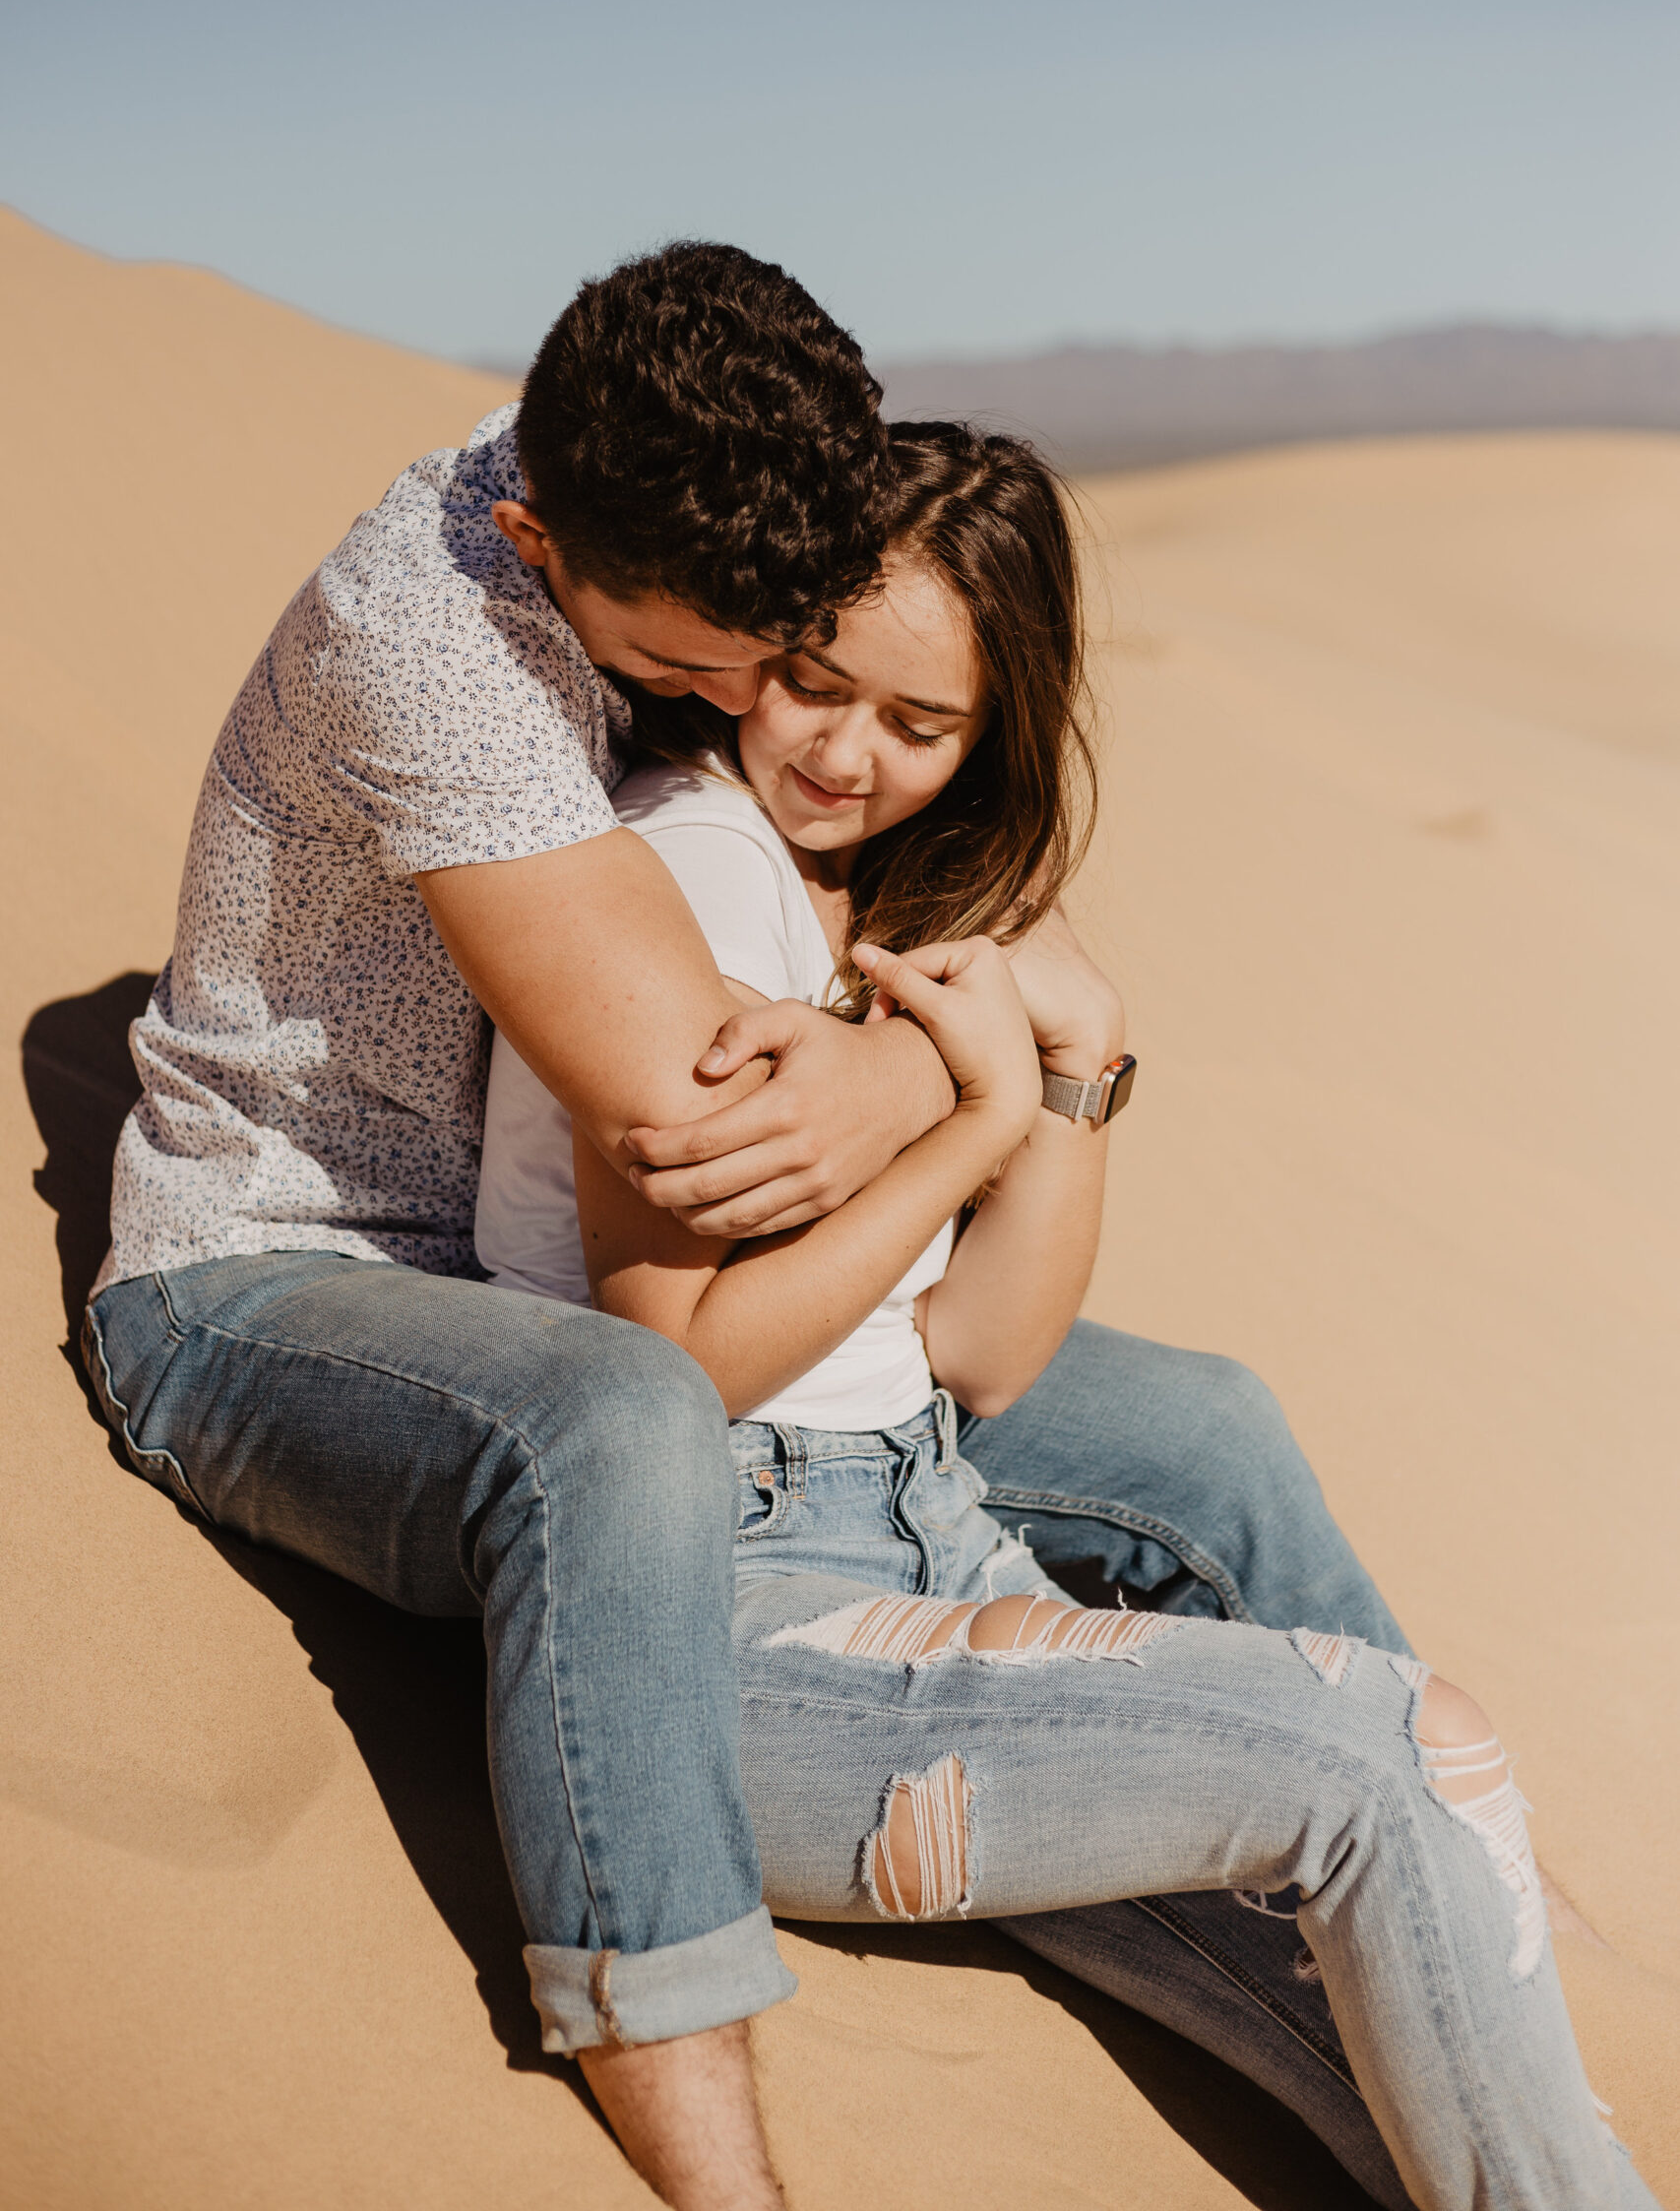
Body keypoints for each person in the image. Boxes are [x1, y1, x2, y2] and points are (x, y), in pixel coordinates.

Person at [85, 241, 1415, 2211]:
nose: (724, 715)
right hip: (301, 1272)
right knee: (618, 1417)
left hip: (560, 1255)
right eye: (705, 668)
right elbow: (690, 1106)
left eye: (766, 650)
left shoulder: (677, 493)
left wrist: (979, 1021)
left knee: (1198, 1428)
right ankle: (714, 2154)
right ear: (537, 538)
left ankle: (1459, 1882)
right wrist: (959, 1052)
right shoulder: (433, 639)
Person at [477, 421, 1653, 2211]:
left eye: (920, 726)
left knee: (1417, 2033)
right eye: (812, 681)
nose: (843, 753)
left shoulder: (890, 891)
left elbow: (983, 1361)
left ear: (994, 735)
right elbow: (671, 1367)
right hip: (732, 1621)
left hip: (929, 1535)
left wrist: (1077, 1070)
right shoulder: (699, 874)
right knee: (1397, 1757)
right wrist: (971, 1122)